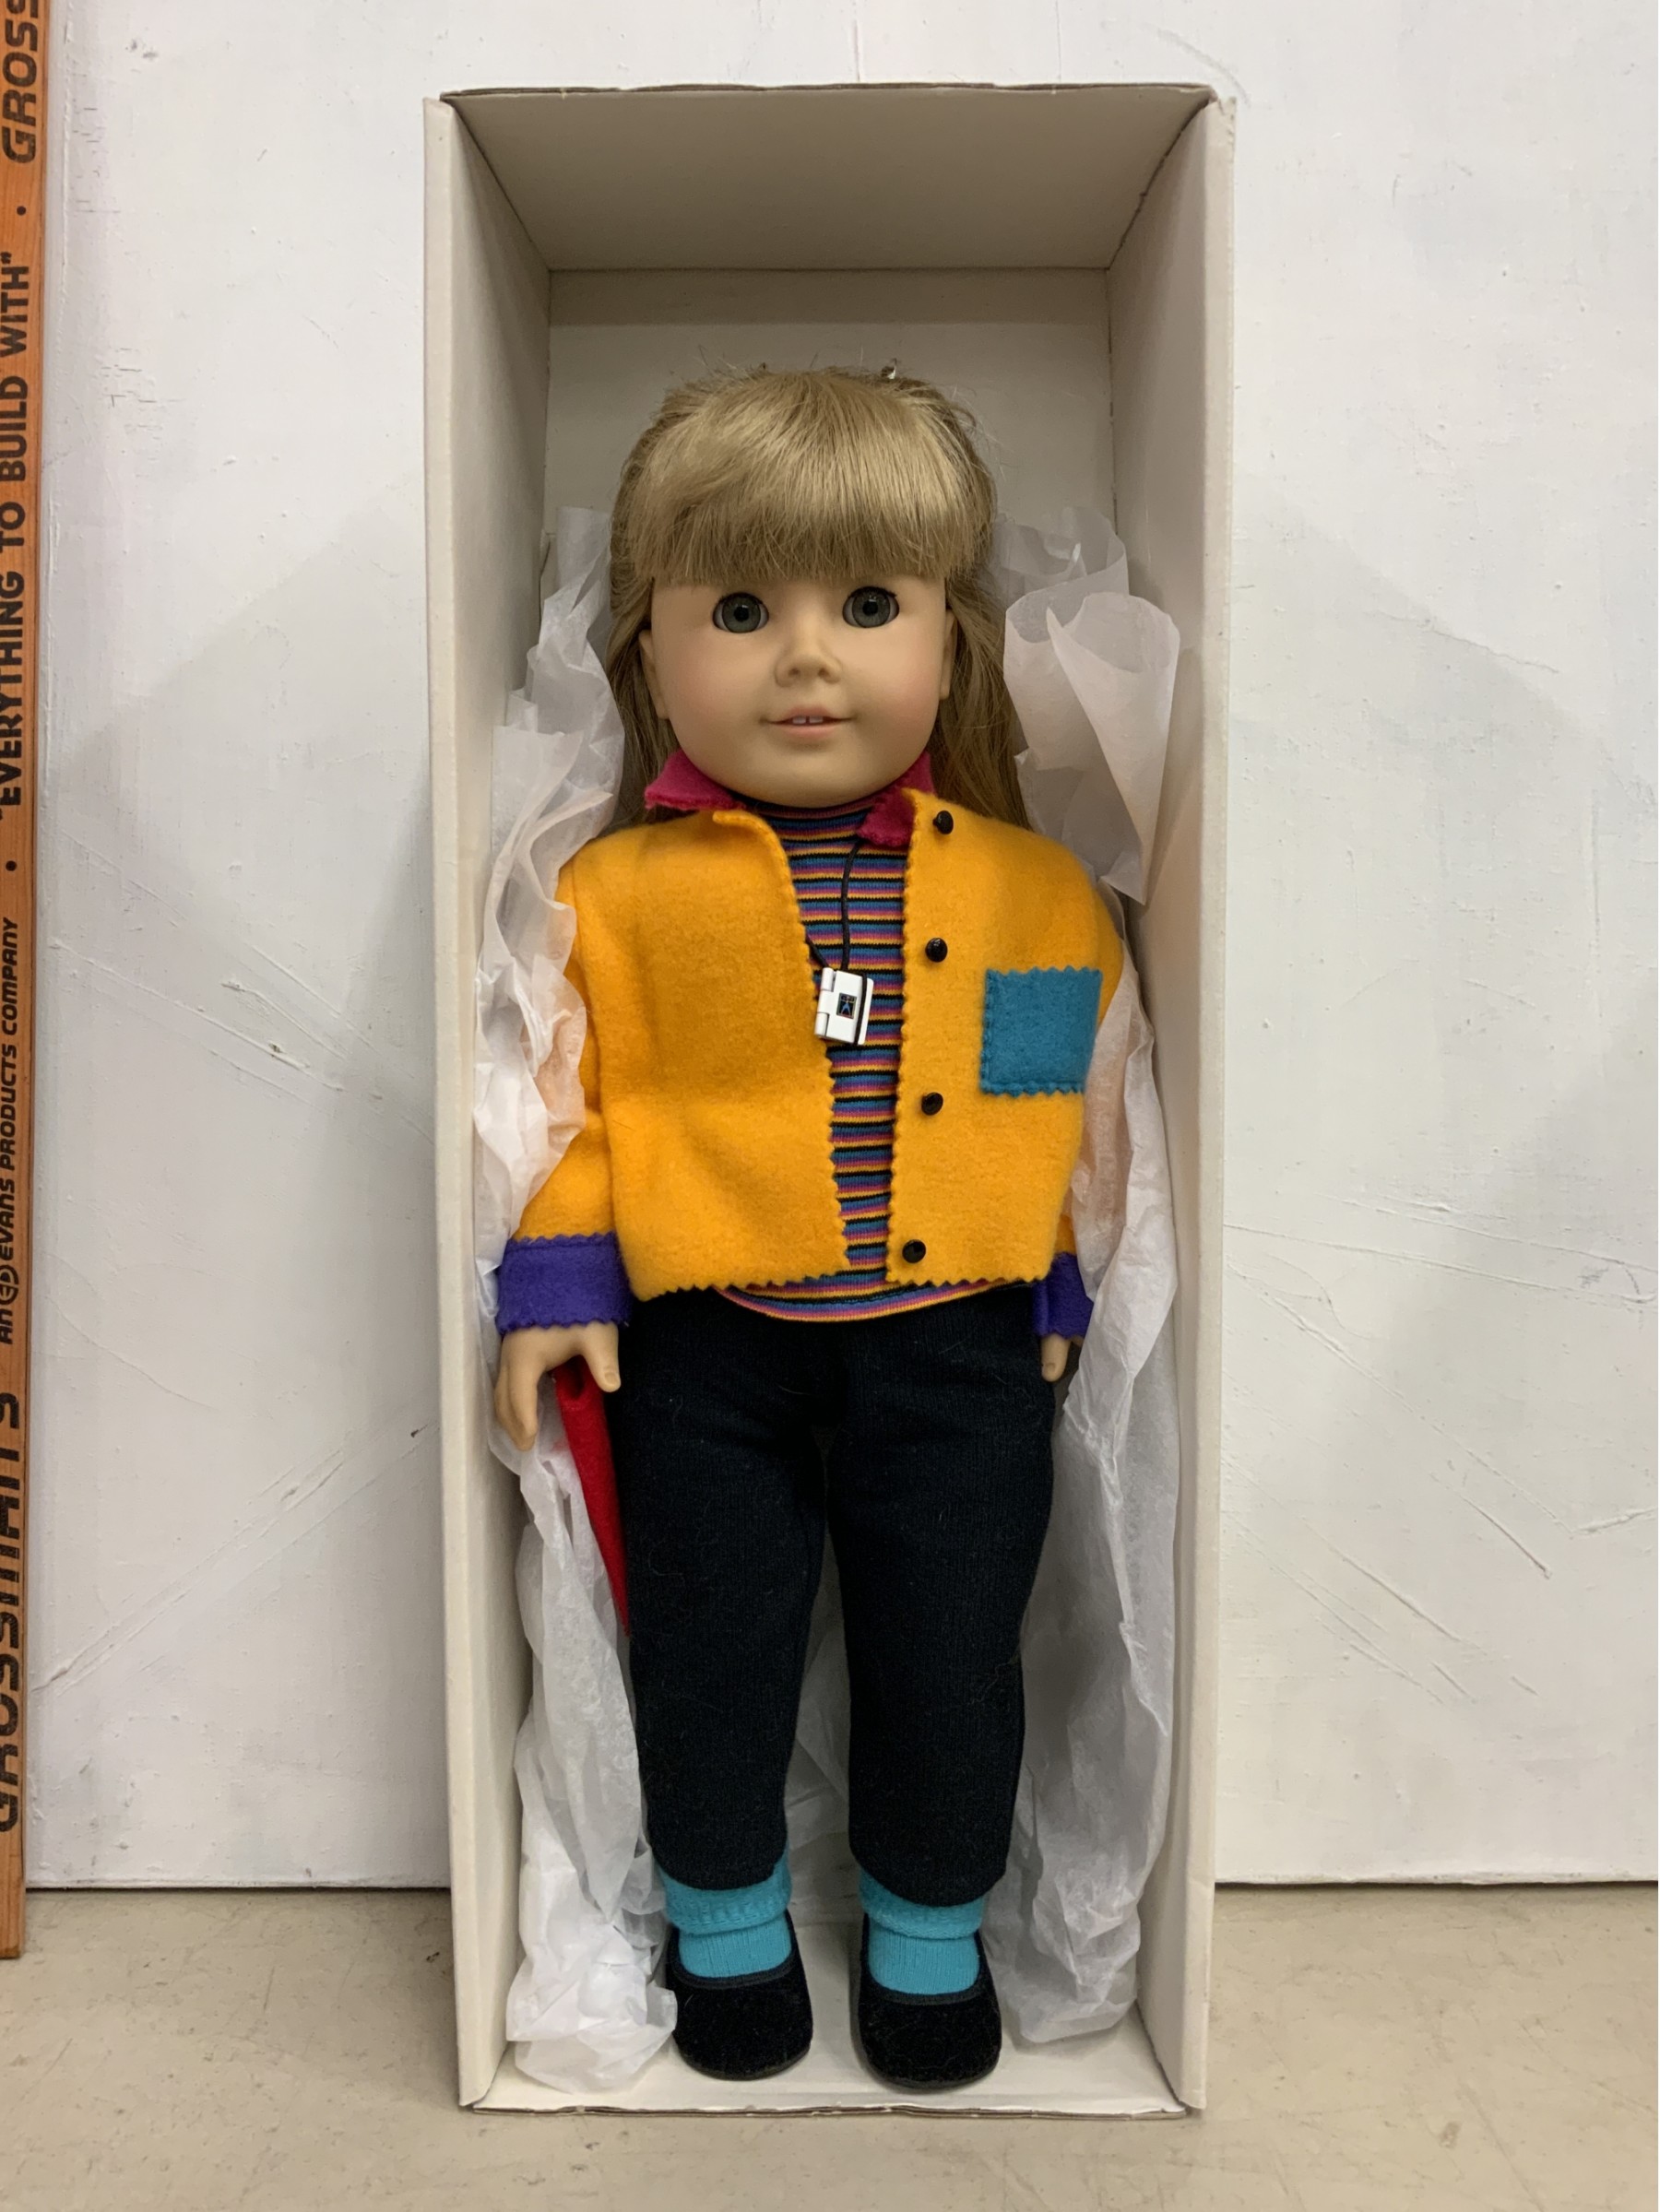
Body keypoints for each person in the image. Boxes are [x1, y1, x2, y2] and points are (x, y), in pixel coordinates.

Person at [492, 366, 1122, 2092]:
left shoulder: (1032, 893)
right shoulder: (612, 894)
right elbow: (571, 1098)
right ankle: (726, 1933)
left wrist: (1052, 1270)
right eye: (739, 611)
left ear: (950, 641)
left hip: (959, 1347)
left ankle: (929, 1935)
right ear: (651, 649)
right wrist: (559, 1270)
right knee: (710, 1651)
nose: (805, 660)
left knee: (951, 1652)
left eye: (867, 606)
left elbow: (1045, 1101)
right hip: (704, 1352)